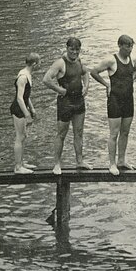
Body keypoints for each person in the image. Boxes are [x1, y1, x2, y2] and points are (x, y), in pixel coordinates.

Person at [90, 35, 136, 176]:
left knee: (125, 132)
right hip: (115, 101)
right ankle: (112, 164)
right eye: (127, 46)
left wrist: (131, 79)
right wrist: (106, 84)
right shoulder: (111, 60)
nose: (130, 49)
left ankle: (121, 160)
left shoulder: (133, 59)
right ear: (120, 45)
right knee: (114, 133)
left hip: (128, 100)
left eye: (131, 46)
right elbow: (94, 72)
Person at [43, 37, 93, 174]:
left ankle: (79, 161)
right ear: (67, 48)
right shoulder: (60, 62)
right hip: (65, 102)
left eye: (77, 50)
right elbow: (46, 79)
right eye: (72, 49)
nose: (74, 52)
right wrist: (59, 90)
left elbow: (86, 73)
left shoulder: (79, 61)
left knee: (79, 133)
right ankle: (57, 164)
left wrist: (86, 87)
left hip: (79, 102)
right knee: (61, 134)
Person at [10, 52, 40, 174]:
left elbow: (27, 96)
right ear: (34, 64)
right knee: (19, 136)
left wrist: (32, 108)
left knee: (24, 136)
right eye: (39, 63)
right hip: (18, 109)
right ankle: (18, 167)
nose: (40, 65)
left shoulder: (28, 74)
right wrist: (26, 114)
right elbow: (19, 98)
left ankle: (21, 162)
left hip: (23, 107)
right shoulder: (23, 77)